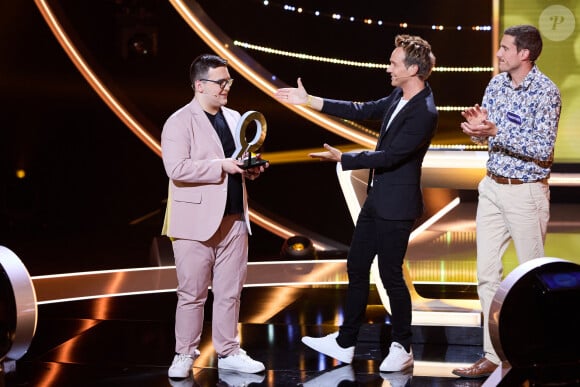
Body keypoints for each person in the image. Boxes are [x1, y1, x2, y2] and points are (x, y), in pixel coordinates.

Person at [274, 34, 438, 372]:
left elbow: (391, 156)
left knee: (391, 275)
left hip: (398, 205)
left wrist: (344, 158)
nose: (388, 68)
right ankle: (346, 342)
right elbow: (361, 109)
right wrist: (310, 101)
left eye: (394, 63)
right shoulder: (398, 96)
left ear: (414, 69)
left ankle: (402, 346)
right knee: (357, 266)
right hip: (378, 199)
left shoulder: (424, 110)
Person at [452, 25, 561, 379]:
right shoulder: (496, 84)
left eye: (504, 48)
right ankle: (493, 354)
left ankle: (534, 351)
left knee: (531, 278)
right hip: (492, 188)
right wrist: (477, 130)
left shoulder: (546, 92)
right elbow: (490, 132)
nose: (498, 54)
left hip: (526, 191)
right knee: (486, 275)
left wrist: (496, 131)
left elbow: (542, 148)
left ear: (524, 54)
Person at [161, 54, 268, 379]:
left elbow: (238, 160)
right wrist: (221, 166)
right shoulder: (179, 121)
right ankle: (184, 353)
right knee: (192, 294)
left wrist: (251, 169)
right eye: (221, 82)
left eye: (229, 82)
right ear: (200, 85)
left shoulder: (235, 117)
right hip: (194, 223)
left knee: (230, 292)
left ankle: (229, 351)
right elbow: (177, 169)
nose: (227, 88)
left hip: (234, 219)